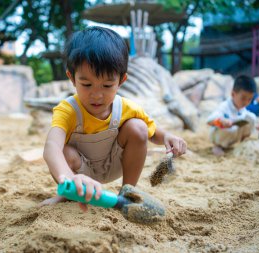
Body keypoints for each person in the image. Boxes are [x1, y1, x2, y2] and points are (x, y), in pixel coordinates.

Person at [41, 26, 187, 211]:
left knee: (137, 127)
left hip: (114, 164)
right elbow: (51, 147)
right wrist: (68, 178)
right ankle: (67, 191)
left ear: (121, 81)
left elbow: (152, 132)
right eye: (86, 84)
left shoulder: (126, 107)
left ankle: (128, 193)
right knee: (64, 150)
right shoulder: (68, 110)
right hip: (80, 169)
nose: (97, 95)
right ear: (72, 78)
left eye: (107, 85)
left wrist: (167, 137)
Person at [207, 75, 257, 156]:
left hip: (234, 138)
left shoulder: (243, 109)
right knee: (230, 128)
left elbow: (248, 124)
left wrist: (257, 127)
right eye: (243, 98)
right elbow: (209, 120)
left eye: (249, 99)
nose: (246, 102)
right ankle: (217, 146)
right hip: (220, 138)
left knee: (252, 118)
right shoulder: (224, 106)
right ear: (233, 94)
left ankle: (243, 143)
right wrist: (221, 121)